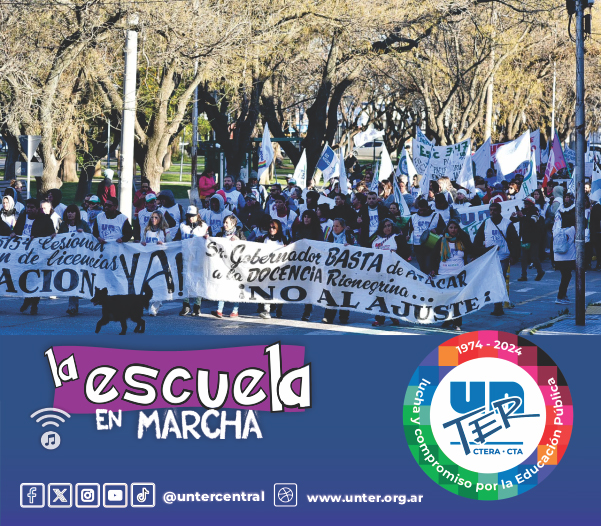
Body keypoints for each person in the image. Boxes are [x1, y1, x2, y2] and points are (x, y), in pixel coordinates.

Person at [473, 202, 520, 316]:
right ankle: (496, 305)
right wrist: (475, 254)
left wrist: (514, 256)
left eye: (495, 210)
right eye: (491, 210)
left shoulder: (507, 224)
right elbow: (478, 239)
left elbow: (515, 241)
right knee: (492, 282)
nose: (492, 212)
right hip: (489, 258)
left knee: (499, 281)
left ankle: (498, 307)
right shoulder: (486, 223)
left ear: (500, 211)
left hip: (503, 257)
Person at [11, 198, 55, 315]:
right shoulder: (22, 217)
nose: (29, 209)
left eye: (31, 208)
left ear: (37, 208)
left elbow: (51, 235)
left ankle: (34, 304)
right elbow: (17, 230)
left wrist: (37, 237)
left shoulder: (45, 219)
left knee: (35, 278)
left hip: (37, 254)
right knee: (24, 278)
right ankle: (27, 299)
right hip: (22, 254)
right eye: (28, 207)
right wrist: (14, 234)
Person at [431, 219, 472, 330]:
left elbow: (473, 250)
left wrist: (490, 250)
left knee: (457, 299)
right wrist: (433, 270)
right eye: (451, 227)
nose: (453, 230)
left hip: (458, 275)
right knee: (445, 299)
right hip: (443, 275)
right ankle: (447, 319)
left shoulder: (463, 240)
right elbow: (434, 257)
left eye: (455, 227)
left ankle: (457, 322)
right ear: (447, 229)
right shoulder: (441, 241)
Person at [175, 205, 210, 316]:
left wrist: (207, 237)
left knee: (198, 280)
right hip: (185, 257)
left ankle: (197, 305)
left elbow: (211, 238)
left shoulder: (204, 226)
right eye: (189, 216)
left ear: (198, 215)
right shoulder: (182, 226)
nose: (191, 218)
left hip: (199, 257)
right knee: (185, 280)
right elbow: (176, 240)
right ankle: (186, 305)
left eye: (193, 216)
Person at [57, 205, 92, 316]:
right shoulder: (63, 225)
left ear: (76, 213)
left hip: (80, 258)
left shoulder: (83, 224)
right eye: (68, 212)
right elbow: (59, 239)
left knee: (76, 280)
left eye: (72, 212)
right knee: (71, 281)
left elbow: (90, 237)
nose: (70, 214)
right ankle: (73, 305)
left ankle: (72, 305)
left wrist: (83, 234)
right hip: (67, 258)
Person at [371, 219, 405, 327]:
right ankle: (380, 319)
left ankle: (393, 316)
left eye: (389, 225)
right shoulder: (376, 240)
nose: (387, 228)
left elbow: (406, 252)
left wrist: (396, 253)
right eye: (385, 226)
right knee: (380, 295)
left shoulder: (397, 237)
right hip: (379, 272)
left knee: (392, 295)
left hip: (393, 272)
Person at [323, 218, 357, 324]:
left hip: (346, 269)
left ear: (343, 227)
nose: (335, 228)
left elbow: (358, 247)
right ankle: (329, 316)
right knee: (331, 292)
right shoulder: (330, 235)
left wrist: (351, 247)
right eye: (334, 226)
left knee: (345, 293)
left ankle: (344, 316)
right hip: (332, 269)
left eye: (337, 226)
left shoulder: (349, 236)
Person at [212, 215, 245, 318]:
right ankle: (219, 309)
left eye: (227, 223)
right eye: (224, 222)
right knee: (222, 285)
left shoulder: (239, 233)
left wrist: (238, 240)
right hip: (222, 264)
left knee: (235, 287)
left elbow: (246, 246)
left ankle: (235, 310)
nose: (224, 225)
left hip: (236, 265)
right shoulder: (220, 234)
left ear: (233, 224)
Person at [141, 210, 172, 316]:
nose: (153, 219)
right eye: (152, 217)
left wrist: (163, 244)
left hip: (160, 261)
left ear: (160, 219)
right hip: (149, 260)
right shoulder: (147, 230)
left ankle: (156, 304)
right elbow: (142, 242)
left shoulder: (164, 231)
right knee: (148, 283)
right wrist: (143, 243)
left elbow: (171, 244)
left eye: (156, 218)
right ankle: (153, 301)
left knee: (159, 283)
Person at [256, 219, 288, 319]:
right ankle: (267, 310)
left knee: (279, 289)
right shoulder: (265, 238)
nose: (271, 229)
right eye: (270, 227)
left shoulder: (283, 239)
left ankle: (279, 309)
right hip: (267, 269)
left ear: (278, 229)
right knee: (267, 288)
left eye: (274, 227)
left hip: (280, 268)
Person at [510, 196, 545, 282]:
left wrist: (522, 217)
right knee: (523, 258)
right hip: (525, 238)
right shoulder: (523, 211)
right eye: (525, 203)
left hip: (534, 238)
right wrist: (512, 217)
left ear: (531, 204)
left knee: (534, 257)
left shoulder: (535, 211)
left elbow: (532, 221)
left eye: (527, 203)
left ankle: (540, 272)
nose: (525, 204)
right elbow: (516, 220)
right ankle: (523, 275)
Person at [408, 199, 446, 274]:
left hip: (431, 245)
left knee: (430, 266)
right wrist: (408, 235)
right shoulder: (413, 217)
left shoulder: (436, 215)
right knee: (422, 267)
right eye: (420, 210)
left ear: (428, 208)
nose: (422, 212)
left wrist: (436, 230)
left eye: (424, 210)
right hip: (418, 246)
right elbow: (409, 228)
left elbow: (444, 228)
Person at [553, 191, 576, 304]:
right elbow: (556, 226)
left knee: (567, 274)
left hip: (569, 247)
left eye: (569, 197)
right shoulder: (560, 211)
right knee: (566, 275)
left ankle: (563, 295)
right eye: (565, 197)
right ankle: (560, 296)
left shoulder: (574, 209)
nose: (567, 199)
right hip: (562, 246)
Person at [590, 190, 601, 271]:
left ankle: (599, 264)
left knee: (598, 249)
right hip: (597, 231)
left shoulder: (596, 207)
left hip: (597, 232)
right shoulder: (595, 206)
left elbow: (594, 220)